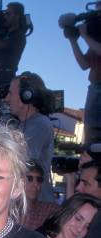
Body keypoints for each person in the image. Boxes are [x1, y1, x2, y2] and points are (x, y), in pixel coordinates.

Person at [5, 71, 55, 201]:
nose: (7, 99)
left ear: (26, 96)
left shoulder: (41, 124)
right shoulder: (16, 124)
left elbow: (19, 161)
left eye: (11, 93)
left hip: (36, 207)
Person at [64, 1, 101, 143]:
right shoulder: (96, 38)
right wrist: (73, 40)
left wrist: (86, 36)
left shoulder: (93, 39)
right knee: (91, 137)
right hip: (94, 87)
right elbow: (84, 64)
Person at [0, 2, 27, 93]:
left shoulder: (19, 36)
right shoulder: (1, 36)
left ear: (17, 16)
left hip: (4, 77)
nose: (5, 16)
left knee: (1, 103)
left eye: (8, 13)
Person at [22, 160, 58, 230]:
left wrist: (70, 179)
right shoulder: (7, 209)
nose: (35, 184)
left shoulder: (48, 209)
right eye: (29, 179)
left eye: (39, 179)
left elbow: (69, 215)